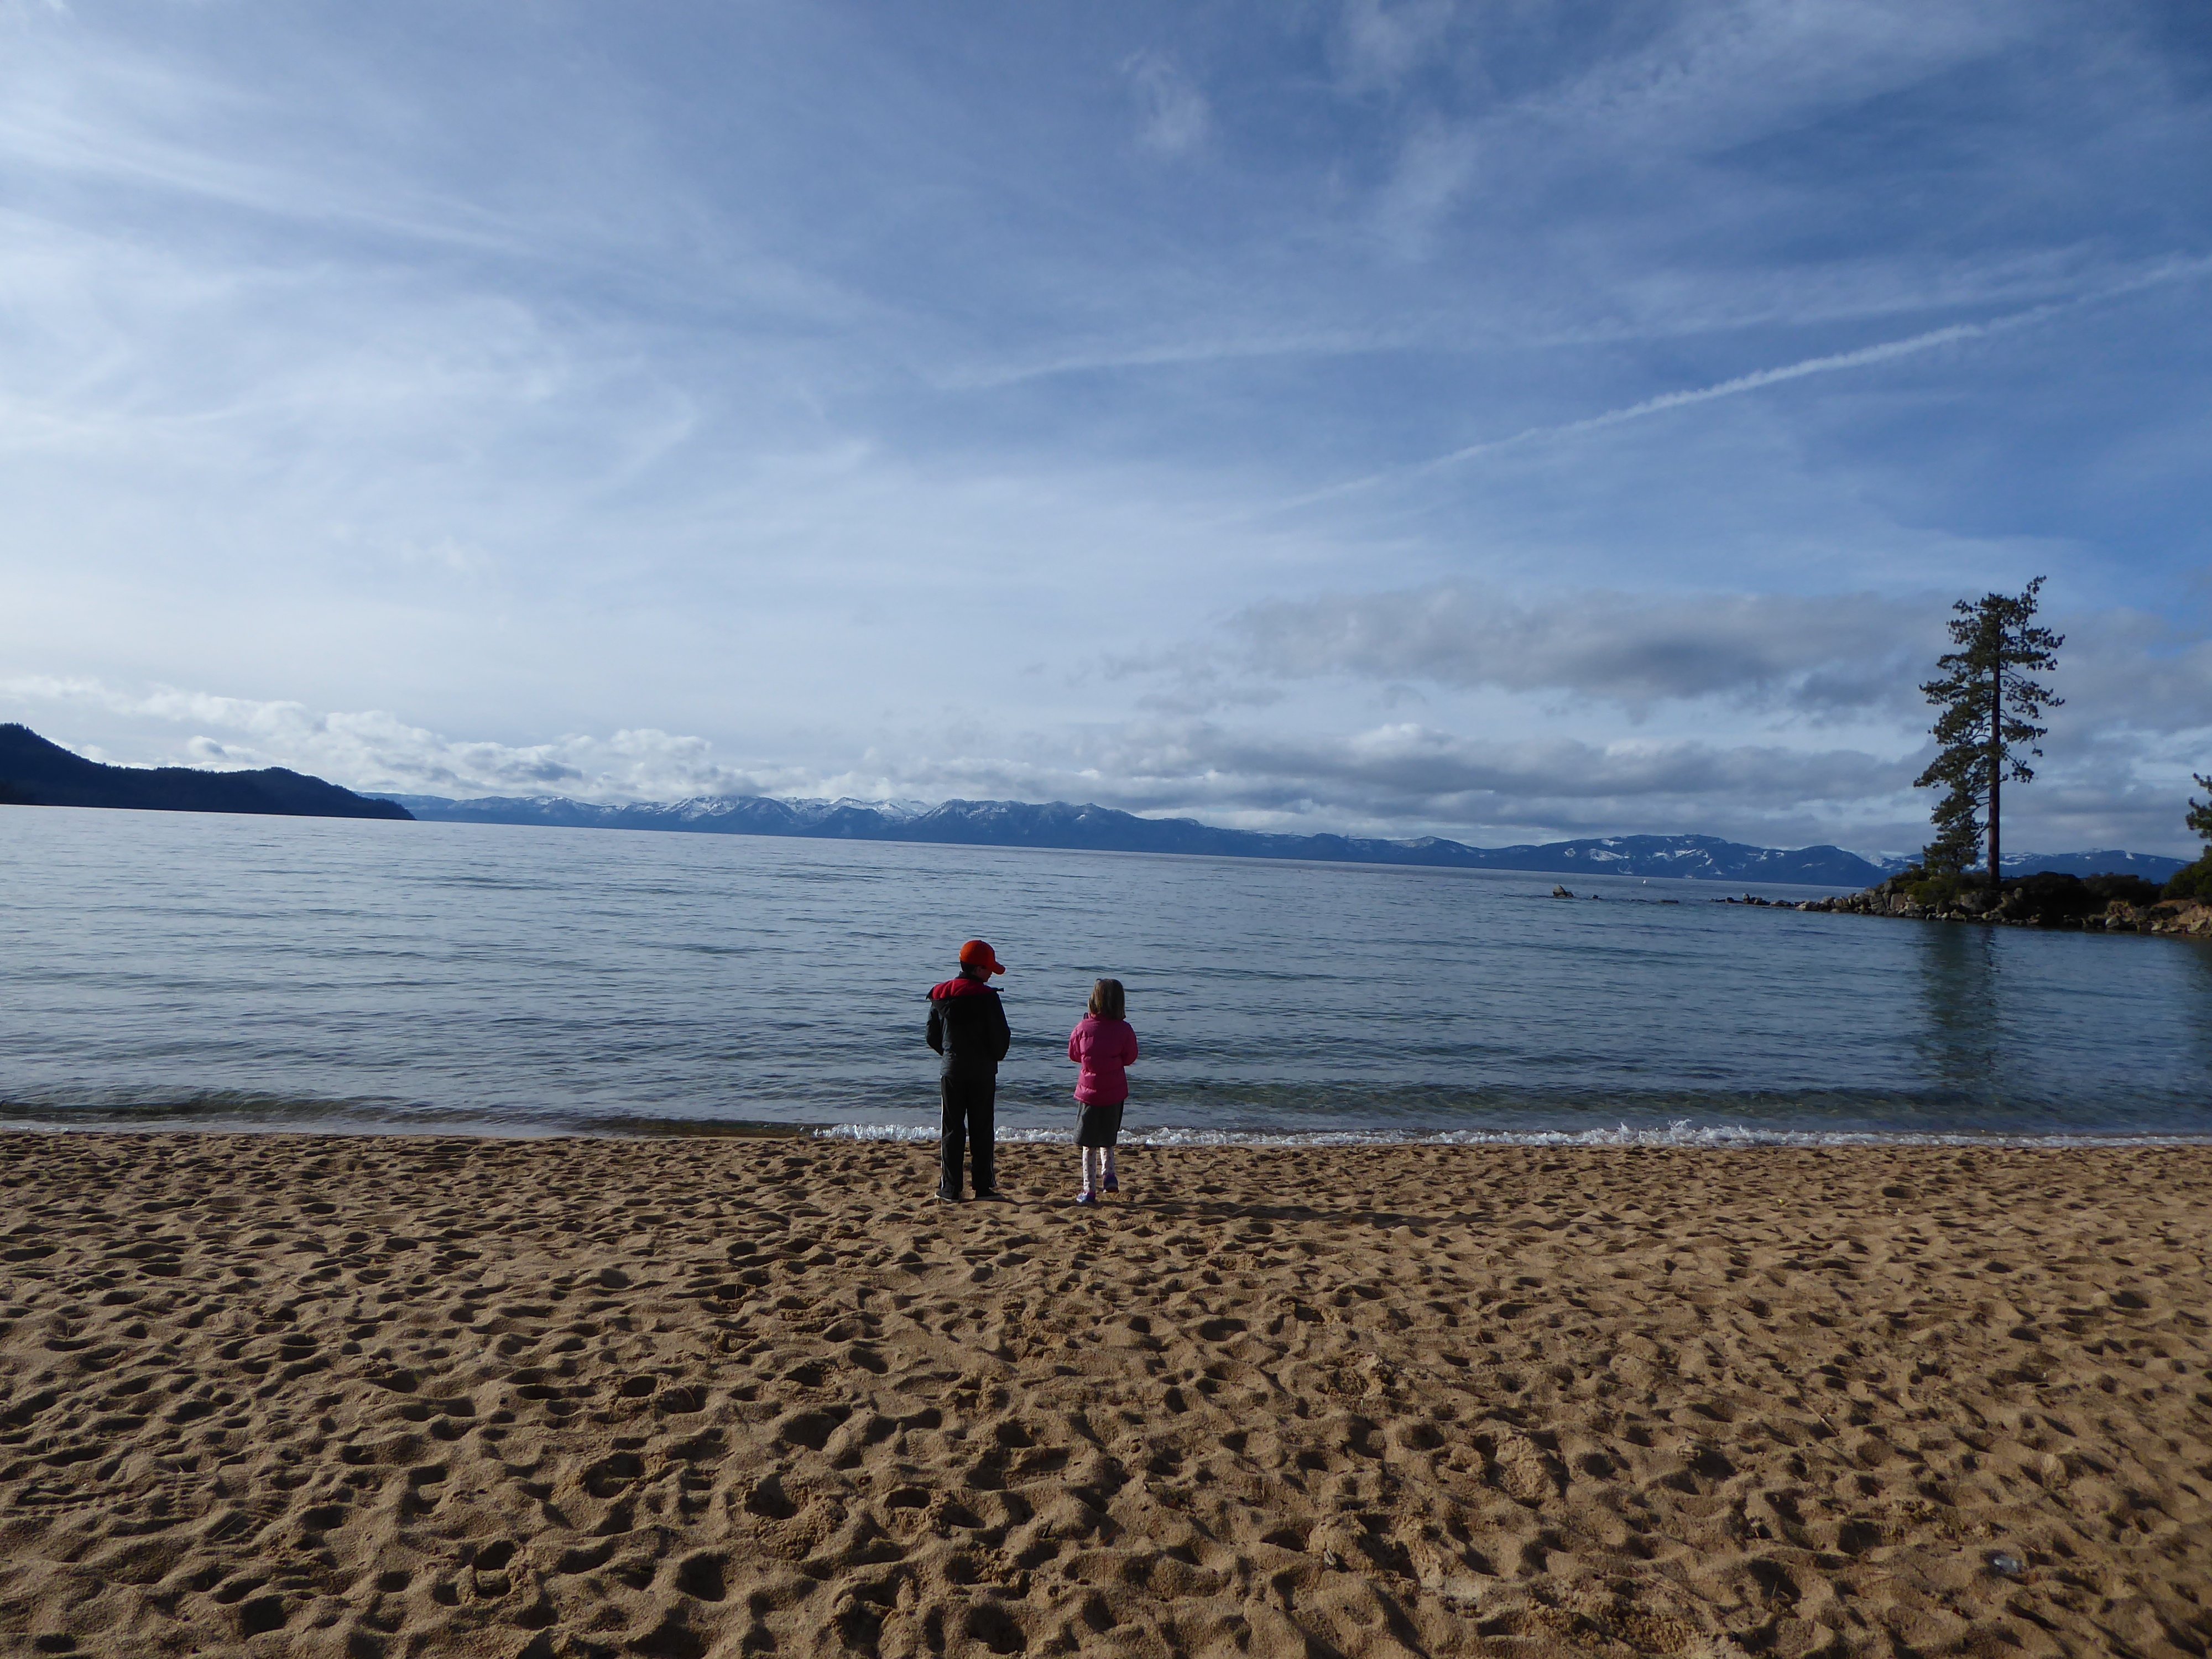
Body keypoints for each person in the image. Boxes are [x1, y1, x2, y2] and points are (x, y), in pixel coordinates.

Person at [926, 938, 1012, 1201]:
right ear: (977, 969)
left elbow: (932, 1037)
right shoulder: (988, 999)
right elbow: (1001, 1038)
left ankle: (951, 1188)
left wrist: (949, 1055)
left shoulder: (941, 995)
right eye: (988, 969)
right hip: (983, 1072)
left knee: (952, 1129)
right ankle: (983, 1187)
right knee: (982, 1129)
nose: (990, 973)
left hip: (952, 1071)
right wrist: (994, 1057)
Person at [1066, 977, 1138, 1206]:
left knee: (1089, 1144)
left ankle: (1089, 1190)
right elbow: (1130, 1057)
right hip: (1114, 1094)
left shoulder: (1082, 1028)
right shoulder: (1124, 1030)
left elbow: (1074, 1055)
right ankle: (1109, 1176)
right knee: (1108, 1138)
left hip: (1089, 1094)